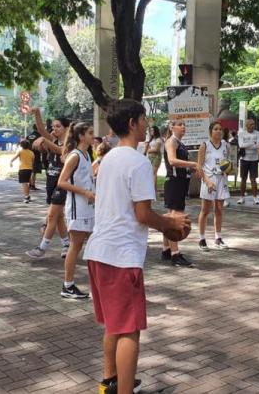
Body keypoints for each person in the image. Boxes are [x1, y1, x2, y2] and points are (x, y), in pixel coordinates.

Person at [83, 99, 190, 394]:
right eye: (143, 119)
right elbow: (142, 215)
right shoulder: (139, 162)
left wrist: (166, 220)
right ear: (132, 123)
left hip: (98, 252)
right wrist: (172, 223)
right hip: (121, 256)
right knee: (129, 329)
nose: (147, 124)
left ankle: (110, 383)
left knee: (114, 326)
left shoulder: (108, 159)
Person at [56, 122, 96, 299]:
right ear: (81, 136)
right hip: (76, 208)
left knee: (90, 243)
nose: (93, 136)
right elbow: (62, 181)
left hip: (87, 206)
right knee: (75, 245)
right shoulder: (75, 156)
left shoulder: (87, 154)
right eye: (90, 133)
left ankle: (93, 283)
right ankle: (68, 285)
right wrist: (84, 192)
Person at [27, 109, 71, 258]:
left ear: (66, 128)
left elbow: (60, 151)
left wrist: (45, 141)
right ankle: (66, 244)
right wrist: (36, 113)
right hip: (51, 181)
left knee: (51, 217)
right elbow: (41, 130)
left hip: (62, 183)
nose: (54, 129)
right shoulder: (53, 139)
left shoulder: (70, 143)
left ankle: (42, 248)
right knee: (58, 218)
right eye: (53, 127)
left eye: (58, 126)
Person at [162, 119, 196, 267]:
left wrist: (190, 169)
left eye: (184, 125)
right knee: (175, 218)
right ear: (172, 127)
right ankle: (176, 254)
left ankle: (166, 249)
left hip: (181, 181)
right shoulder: (171, 141)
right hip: (174, 182)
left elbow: (180, 163)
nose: (183, 127)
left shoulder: (180, 143)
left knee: (170, 217)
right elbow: (172, 161)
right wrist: (192, 164)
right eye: (180, 124)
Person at [197, 121, 231, 251]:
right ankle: (201, 239)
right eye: (216, 129)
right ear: (211, 131)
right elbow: (199, 166)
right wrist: (207, 181)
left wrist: (227, 169)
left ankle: (218, 238)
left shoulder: (225, 145)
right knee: (205, 210)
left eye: (220, 129)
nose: (218, 131)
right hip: (209, 179)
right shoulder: (205, 145)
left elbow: (227, 162)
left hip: (221, 179)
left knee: (219, 210)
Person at [237, 119, 259, 205]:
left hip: (254, 159)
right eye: (250, 124)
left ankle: (255, 197)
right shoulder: (241, 134)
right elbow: (241, 145)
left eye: (253, 124)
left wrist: (247, 144)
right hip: (244, 159)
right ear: (246, 125)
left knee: (253, 179)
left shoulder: (258, 133)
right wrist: (253, 143)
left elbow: (258, 145)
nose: (252, 126)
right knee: (243, 179)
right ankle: (242, 197)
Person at [145, 126, 164, 191]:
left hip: (156, 156)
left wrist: (149, 150)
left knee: (154, 173)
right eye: (151, 130)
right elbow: (148, 147)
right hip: (150, 156)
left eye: (153, 130)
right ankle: (154, 189)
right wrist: (149, 150)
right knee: (151, 173)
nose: (151, 132)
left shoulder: (158, 139)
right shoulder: (151, 139)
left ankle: (153, 189)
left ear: (156, 131)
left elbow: (156, 149)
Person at [26, 125, 43, 191]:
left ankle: (30, 184)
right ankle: (32, 185)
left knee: (30, 170)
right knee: (34, 171)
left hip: (28, 154)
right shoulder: (39, 136)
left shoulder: (28, 136)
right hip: (36, 154)